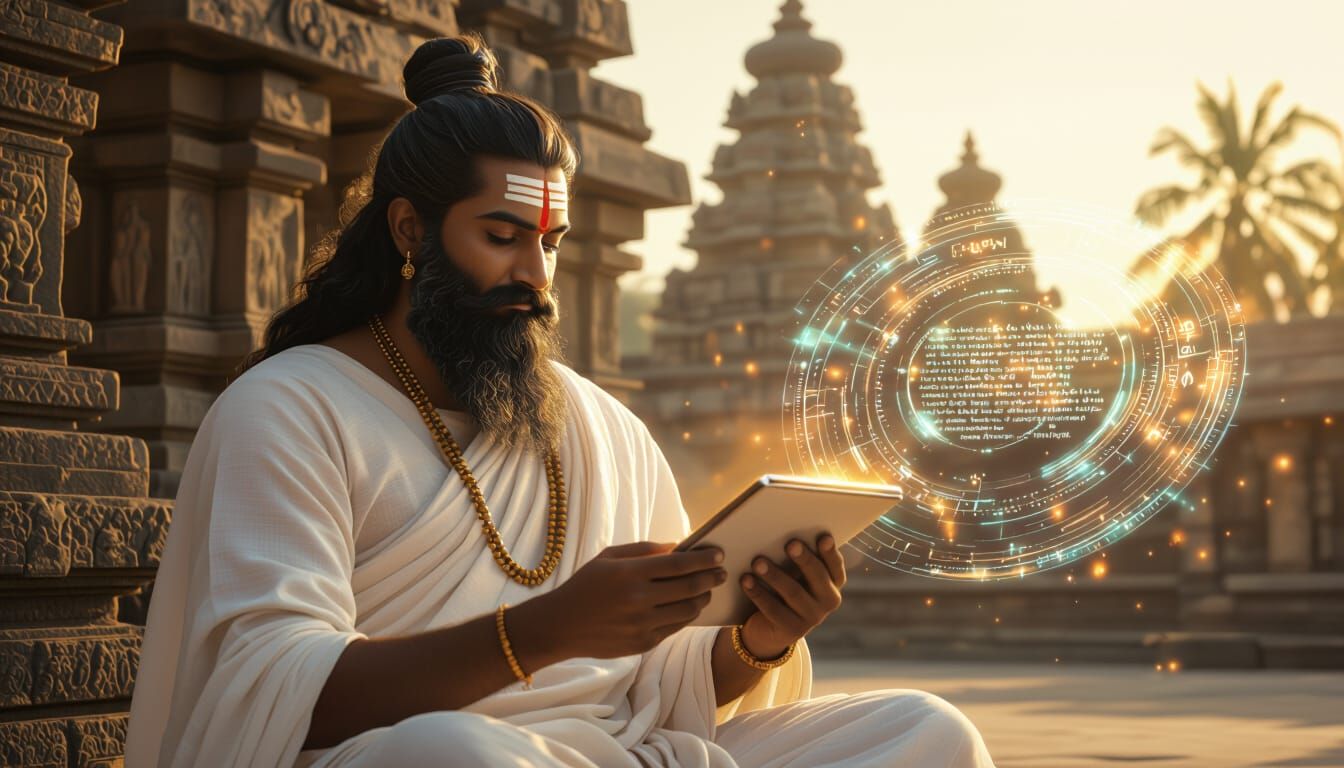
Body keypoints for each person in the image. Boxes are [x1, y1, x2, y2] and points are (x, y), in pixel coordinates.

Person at [124, 33, 996, 768]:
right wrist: (543, 631)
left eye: (550, 243)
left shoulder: (595, 423)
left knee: (925, 731)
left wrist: (756, 637)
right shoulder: (289, 408)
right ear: (408, 230)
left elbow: (665, 685)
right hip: (421, 757)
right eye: (501, 237)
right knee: (450, 757)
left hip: (621, 753)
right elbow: (278, 693)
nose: (535, 278)